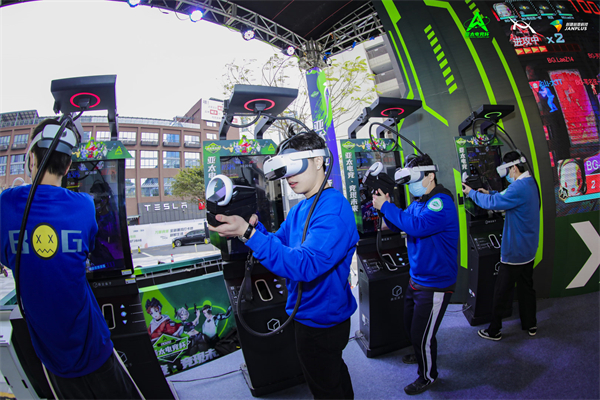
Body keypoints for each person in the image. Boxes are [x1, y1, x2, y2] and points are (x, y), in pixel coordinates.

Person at [209, 131, 358, 399]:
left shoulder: (333, 209)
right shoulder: (301, 208)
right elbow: (279, 242)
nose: (289, 176)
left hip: (322, 320)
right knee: (331, 374)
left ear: (319, 161)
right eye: (284, 169)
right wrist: (254, 230)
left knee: (325, 385)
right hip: (305, 313)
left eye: (294, 165)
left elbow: (305, 264)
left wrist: (249, 234)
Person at [0, 119, 141, 399]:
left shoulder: (6, 204)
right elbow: (87, 249)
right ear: (67, 168)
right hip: (94, 344)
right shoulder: (84, 206)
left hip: (52, 354)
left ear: (31, 159)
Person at [372, 154, 459, 396]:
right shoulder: (419, 202)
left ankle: (428, 376)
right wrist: (385, 209)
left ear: (430, 176)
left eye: (416, 179)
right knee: (413, 327)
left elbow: (417, 227)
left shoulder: (440, 203)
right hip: (417, 279)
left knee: (422, 333)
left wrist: (387, 207)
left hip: (436, 283)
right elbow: (402, 223)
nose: (412, 186)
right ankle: (421, 351)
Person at [462, 150, 540, 340]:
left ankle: (494, 330)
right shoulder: (531, 183)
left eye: (508, 173)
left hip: (515, 252)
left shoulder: (518, 187)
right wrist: (491, 192)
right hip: (529, 249)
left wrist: (471, 193)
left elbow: (493, 203)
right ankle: (530, 324)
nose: (508, 178)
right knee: (527, 288)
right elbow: (507, 197)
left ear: (513, 168)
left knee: (501, 292)